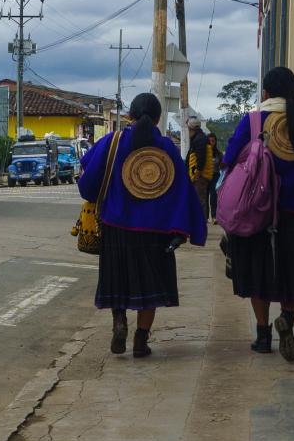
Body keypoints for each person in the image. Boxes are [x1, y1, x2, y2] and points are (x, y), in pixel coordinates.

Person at [220, 67, 294, 362]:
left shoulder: (252, 121)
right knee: (293, 274)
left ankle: (263, 336)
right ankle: (287, 317)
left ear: (265, 93)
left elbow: (229, 160)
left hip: (257, 215)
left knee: (257, 275)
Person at [79, 93, 208, 358]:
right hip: (156, 233)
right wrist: (182, 231)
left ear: (129, 116)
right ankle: (140, 340)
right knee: (149, 289)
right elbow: (183, 192)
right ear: (159, 119)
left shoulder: (111, 143)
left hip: (115, 228)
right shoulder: (167, 148)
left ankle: (119, 323)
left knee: (118, 282)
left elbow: (87, 186)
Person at [185, 116, 212, 219]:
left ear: (191, 128)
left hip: (199, 176)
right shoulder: (199, 137)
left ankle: (201, 227)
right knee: (199, 200)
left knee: (199, 201)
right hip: (199, 175)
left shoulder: (199, 139)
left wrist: (197, 172)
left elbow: (201, 158)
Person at [207, 133, 223, 222]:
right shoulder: (204, 152)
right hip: (205, 176)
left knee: (213, 196)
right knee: (204, 196)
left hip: (215, 175)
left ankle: (214, 216)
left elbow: (222, 165)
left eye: (213, 141)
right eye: (209, 141)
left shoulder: (218, 153)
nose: (211, 143)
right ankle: (205, 217)